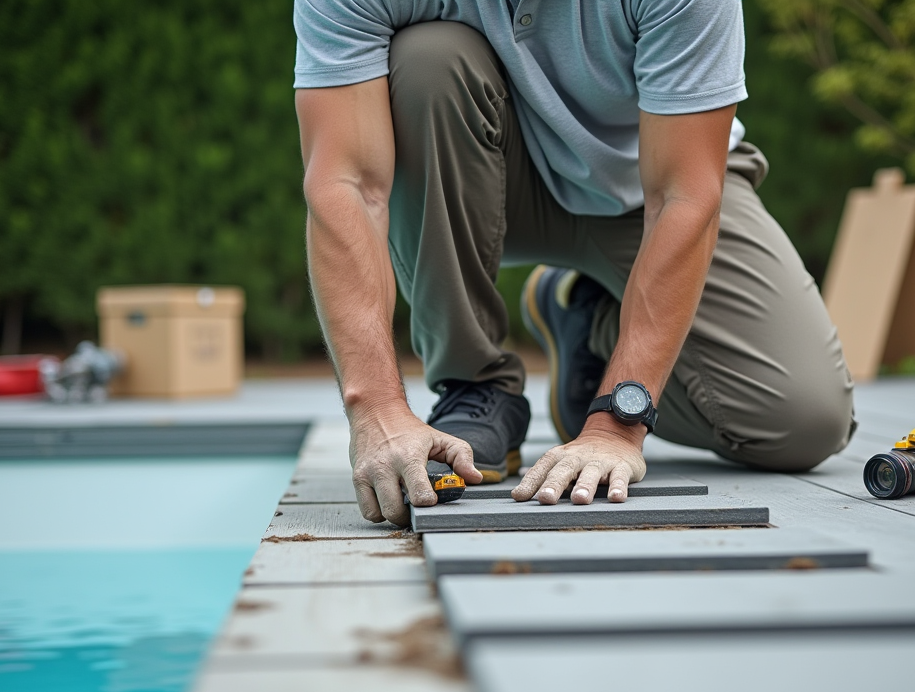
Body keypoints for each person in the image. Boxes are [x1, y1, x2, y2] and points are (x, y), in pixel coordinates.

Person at [293, 1, 855, 527]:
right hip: (482, 174)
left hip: (649, 192)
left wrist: (616, 421)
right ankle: (474, 384)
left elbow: (682, 196)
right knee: (427, 60)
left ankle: (589, 327)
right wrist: (376, 411)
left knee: (802, 422)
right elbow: (349, 186)